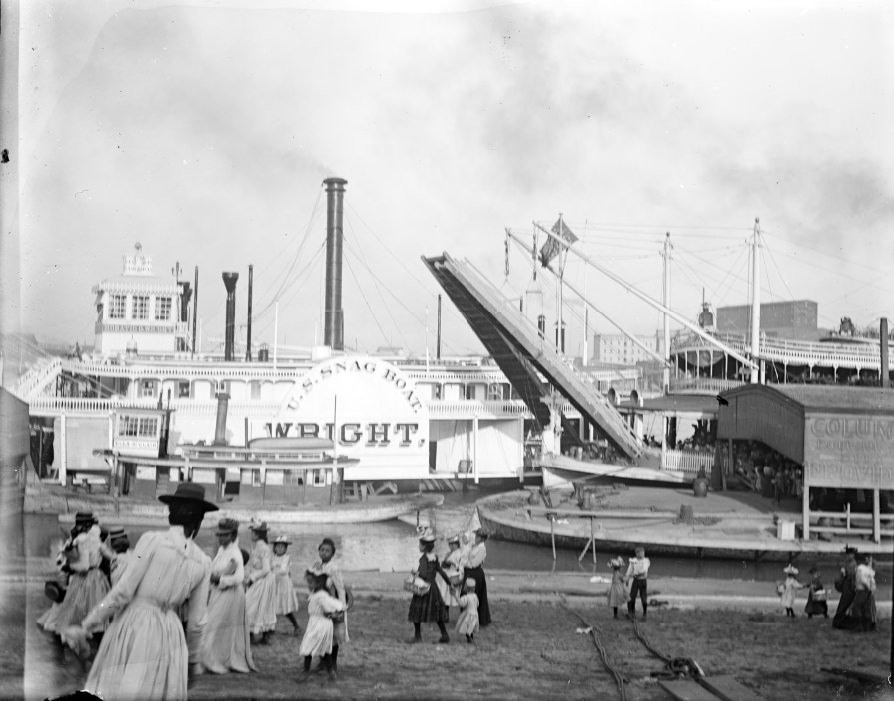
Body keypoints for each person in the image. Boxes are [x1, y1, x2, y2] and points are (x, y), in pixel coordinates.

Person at [61, 482, 217, 701]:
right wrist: (192, 662)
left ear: (171, 513)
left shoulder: (151, 541)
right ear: (198, 521)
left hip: (137, 623)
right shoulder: (203, 561)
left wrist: (88, 624)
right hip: (171, 633)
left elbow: (123, 592)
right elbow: (197, 622)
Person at [38, 512, 114, 639]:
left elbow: (81, 565)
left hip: (82, 575)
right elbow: (110, 556)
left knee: (76, 603)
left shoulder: (79, 540)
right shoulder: (94, 539)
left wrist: (68, 566)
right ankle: (92, 628)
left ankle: (78, 628)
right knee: (90, 602)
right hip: (95, 576)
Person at [199, 518, 256, 675]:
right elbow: (215, 568)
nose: (221, 538)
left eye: (225, 535)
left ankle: (214, 659)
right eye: (220, 535)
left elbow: (238, 578)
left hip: (231, 593)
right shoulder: (222, 550)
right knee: (214, 624)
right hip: (220, 592)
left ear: (232, 536)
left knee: (216, 624)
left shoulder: (235, 553)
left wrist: (218, 579)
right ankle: (212, 658)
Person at [297, 570, 346, 682]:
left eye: (310, 582)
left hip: (320, 625)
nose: (308, 585)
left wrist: (331, 613)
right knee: (323, 650)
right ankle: (331, 672)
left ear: (319, 583)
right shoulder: (317, 594)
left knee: (309, 647)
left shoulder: (321, 596)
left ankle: (305, 671)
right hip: (317, 624)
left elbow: (332, 607)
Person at [312, 537, 350, 673]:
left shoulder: (334, 568)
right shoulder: (317, 565)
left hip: (331, 604)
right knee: (321, 634)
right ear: (318, 551)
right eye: (322, 550)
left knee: (332, 636)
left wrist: (341, 607)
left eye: (327, 551)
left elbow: (340, 588)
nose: (324, 553)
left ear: (332, 554)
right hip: (320, 605)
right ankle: (323, 663)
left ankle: (333, 664)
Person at [407, 532, 451, 644]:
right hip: (434, 588)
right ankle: (444, 635)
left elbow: (423, 574)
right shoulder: (434, 557)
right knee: (437, 612)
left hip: (424, 588)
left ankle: (417, 636)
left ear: (424, 546)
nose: (419, 546)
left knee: (416, 611)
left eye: (420, 545)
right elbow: (440, 571)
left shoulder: (423, 559)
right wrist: (449, 582)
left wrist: (415, 573)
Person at [244, 521, 277, 645]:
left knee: (256, 605)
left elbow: (266, 568)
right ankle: (251, 633)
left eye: (253, 533)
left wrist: (252, 577)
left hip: (263, 580)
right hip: (260, 578)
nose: (251, 535)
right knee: (252, 605)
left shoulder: (263, 548)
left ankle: (264, 634)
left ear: (258, 535)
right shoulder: (257, 546)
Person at [272, 535, 301, 635]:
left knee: (285, 607)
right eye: (278, 546)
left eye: (282, 547)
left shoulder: (287, 558)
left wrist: (273, 571)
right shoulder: (273, 558)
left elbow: (284, 570)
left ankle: (296, 625)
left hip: (284, 584)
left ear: (285, 549)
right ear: (274, 548)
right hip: (274, 584)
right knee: (271, 605)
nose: (280, 549)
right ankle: (270, 627)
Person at [464, 529, 491, 627]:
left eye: (477, 537)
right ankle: (466, 617)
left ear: (482, 538)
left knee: (475, 596)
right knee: (467, 595)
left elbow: (474, 563)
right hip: (470, 572)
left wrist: (464, 563)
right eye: (476, 536)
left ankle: (476, 618)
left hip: (475, 573)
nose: (475, 538)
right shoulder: (475, 546)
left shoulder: (481, 548)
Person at [850, 554, 878, 632]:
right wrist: (871, 588)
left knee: (857, 607)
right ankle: (867, 625)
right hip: (867, 590)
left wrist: (867, 587)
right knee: (866, 607)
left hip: (862, 590)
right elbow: (871, 579)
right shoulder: (868, 569)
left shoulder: (860, 568)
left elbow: (862, 580)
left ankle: (859, 625)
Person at [833, 546, 859, 629]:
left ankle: (841, 621)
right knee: (844, 602)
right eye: (849, 554)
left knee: (846, 602)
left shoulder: (853, 563)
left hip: (850, 585)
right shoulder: (848, 563)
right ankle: (840, 621)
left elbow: (852, 575)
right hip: (847, 584)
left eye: (851, 554)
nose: (850, 556)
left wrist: (844, 573)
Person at [625, 547, 650, 620]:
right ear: (637, 554)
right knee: (631, 597)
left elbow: (644, 570)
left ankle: (645, 614)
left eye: (643, 553)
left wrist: (636, 574)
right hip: (636, 581)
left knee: (643, 598)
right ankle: (631, 612)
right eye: (640, 553)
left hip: (643, 581)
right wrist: (627, 579)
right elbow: (629, 570)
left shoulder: (646, 561)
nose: (642, 554)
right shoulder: (633, 561)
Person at [455, 578, 479, 643]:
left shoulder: (466, 597)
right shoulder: (475, 596)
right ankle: (471, 637)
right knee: (471, 626)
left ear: (466, 588)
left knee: (467, 626)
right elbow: (477, 604)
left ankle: (469, 638)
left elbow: (462, 604)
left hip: (468, 614)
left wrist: (457, 598)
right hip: (475, 614)